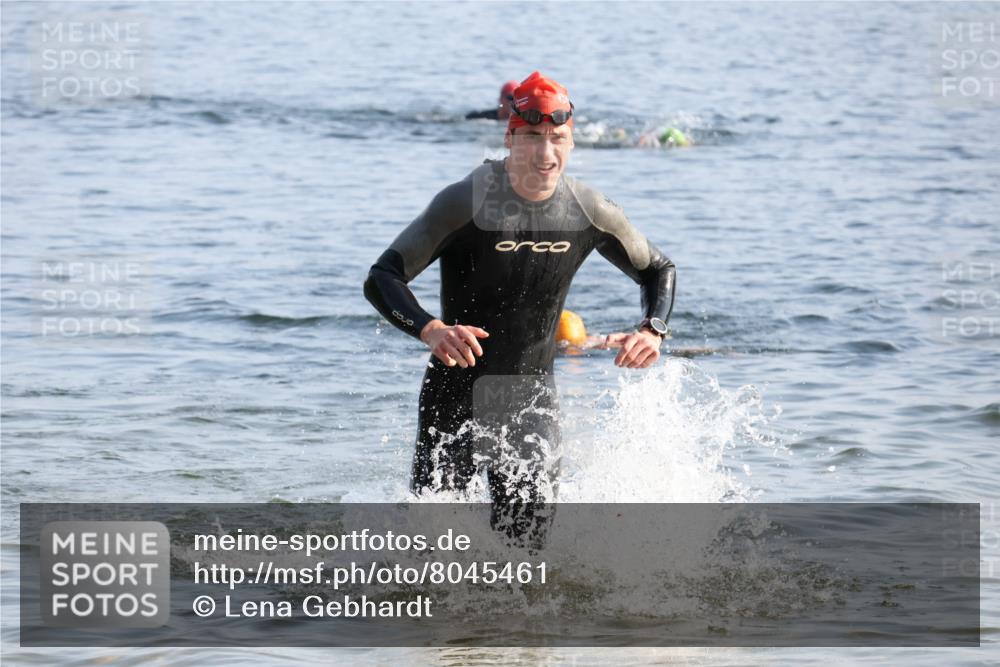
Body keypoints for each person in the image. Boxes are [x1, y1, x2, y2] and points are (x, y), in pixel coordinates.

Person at [364, 72, 676, 546]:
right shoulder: (465, 202)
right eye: (532, 137)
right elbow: (382, 277)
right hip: (454, 400)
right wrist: (431, 329)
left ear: (571, 143)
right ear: (510, 136)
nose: (545, 153)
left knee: (528, 564)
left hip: (531, 403)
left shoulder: (587, 210)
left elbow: (658, 268)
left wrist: (652, 328)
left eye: (558, 139)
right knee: (430, 558)